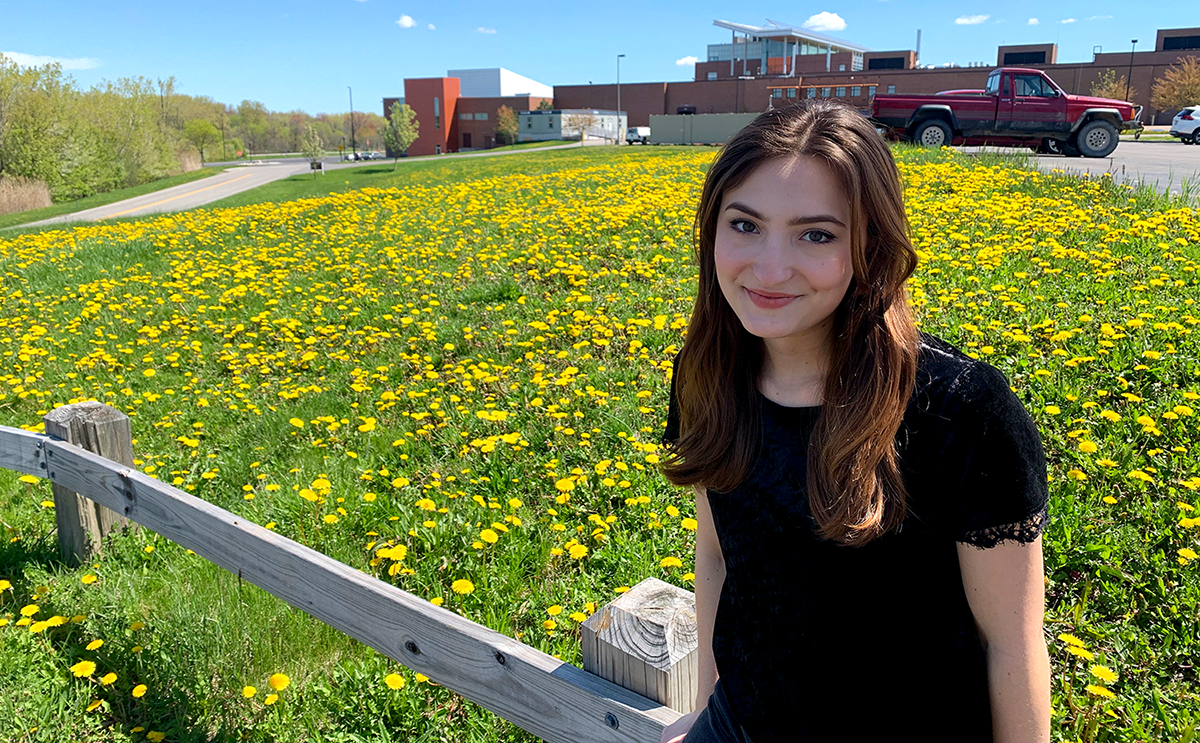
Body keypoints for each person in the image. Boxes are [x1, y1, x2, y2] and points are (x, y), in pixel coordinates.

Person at [656, 99, 1052, 743]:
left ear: (869, 246)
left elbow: (1012, 639)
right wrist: (708, 713)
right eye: (745, 225)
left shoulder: (959, 411)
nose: (770, 268)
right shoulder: (708, 375)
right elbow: (719, 558)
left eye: (816, 234)